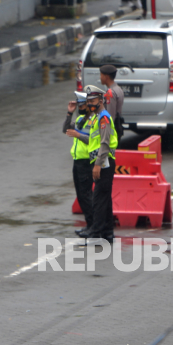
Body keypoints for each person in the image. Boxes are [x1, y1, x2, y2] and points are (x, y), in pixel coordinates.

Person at [82, 85, 118, 244]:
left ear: (101, 100)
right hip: (101, 162)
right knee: (105, 198)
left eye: (93, 100)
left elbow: (104, 143)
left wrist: (97, 164)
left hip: (104, 163)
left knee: (98, 198)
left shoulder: (103, 118)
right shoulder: (97, 117)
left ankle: (96, 232)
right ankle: (107, 232)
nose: (90, 103)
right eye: (89, 100)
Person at [64, 92, 93, 238]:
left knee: (87, 195)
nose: (79, 107)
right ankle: (89, 225)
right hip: (77, 161)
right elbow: (66, 130)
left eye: (81, 105)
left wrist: (78, 135)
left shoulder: (93, 120)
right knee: (81, 195)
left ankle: (93, 226)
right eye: (78, 105)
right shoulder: (81, 118)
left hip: (87, 162)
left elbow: (92, 140)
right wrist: (69, 113)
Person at [99, 64, 124, 135]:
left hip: (112, 130)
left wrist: (106, 133)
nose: (100, 77)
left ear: (106, 77)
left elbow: (110, 116)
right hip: (117, 125)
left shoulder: (111, 92)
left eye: (101, 75)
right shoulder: (118, 88)